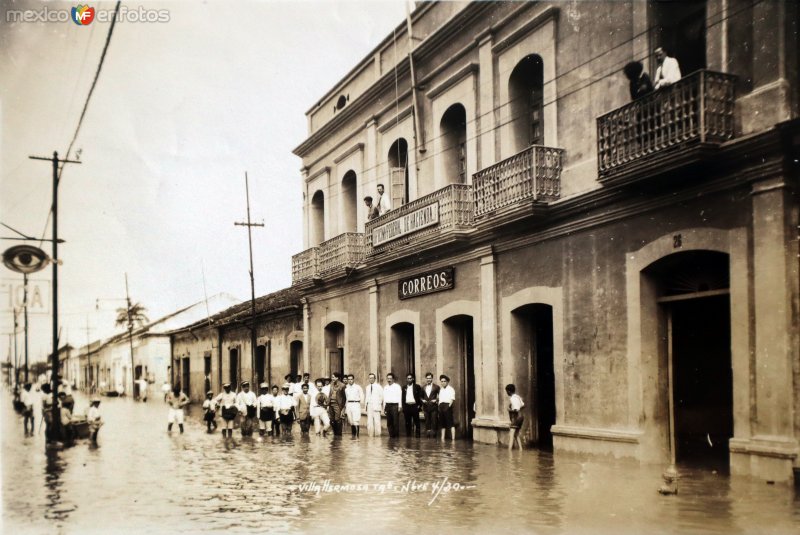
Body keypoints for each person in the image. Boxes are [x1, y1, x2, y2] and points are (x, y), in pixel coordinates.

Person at [402, 373, 423, 437]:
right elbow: (402, 398)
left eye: (410, 378)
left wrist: (419, 405)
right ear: (406, 379)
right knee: (407, 422)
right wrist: (404, 407)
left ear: (413, 379)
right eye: (408, 378)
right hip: (407, 406)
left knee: (417, 422)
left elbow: (420, 396)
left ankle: (417, 437)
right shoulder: (404, 387)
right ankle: (408, 437)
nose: (409, 380)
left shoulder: (417, 387)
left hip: (414, 406)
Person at [506, 384, 525, 450]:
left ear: (509, 391)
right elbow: (523, 405)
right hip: (521, 417)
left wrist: (509, 410)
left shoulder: (512, 398)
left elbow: (516, 410)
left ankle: (509, 452)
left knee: (511, 435)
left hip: (516, 418)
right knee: (516, 434)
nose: (507, 393)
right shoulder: (518, 397)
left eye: (507, 391)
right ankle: (521, 449)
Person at [421, 372, 440, 438]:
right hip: (426, 407)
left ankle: (434, 436)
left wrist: (436, 400)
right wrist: (422, 400)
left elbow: (441, 396)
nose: (428, 379)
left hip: (434, 407)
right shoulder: (423, 387)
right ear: (426, 379)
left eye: (430, 378)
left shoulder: (436, 387)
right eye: (427, 378)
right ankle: (428, 436)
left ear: (432, 378)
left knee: (434, 421)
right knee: (427, 422)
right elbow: (420, 397)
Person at [382, 373, 402, 438]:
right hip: (388, 406)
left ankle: (396, 437)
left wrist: (399, 406)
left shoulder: (397, 386)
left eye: (390, 378)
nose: (389, 380)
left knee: (395, 422)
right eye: (388, 378)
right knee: (389, 422)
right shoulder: (385, 387)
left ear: (393, 379)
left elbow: (400, 397)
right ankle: (391, 436)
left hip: (395, 406)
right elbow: (384, 398)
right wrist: (384, 407)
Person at [438, 375, 456, 441]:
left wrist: (448, 407)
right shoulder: (441, 390)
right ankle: (442, 438)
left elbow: (452, 399)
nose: (443, 383)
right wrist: (439, 406)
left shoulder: (451, 389)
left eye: (444, 381)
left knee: (450, 423)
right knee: (442, 424)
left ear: (447, 382)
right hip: (441, 406)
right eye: (441, 381)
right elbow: (440, 399)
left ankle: (453, 439)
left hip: (447, 406)